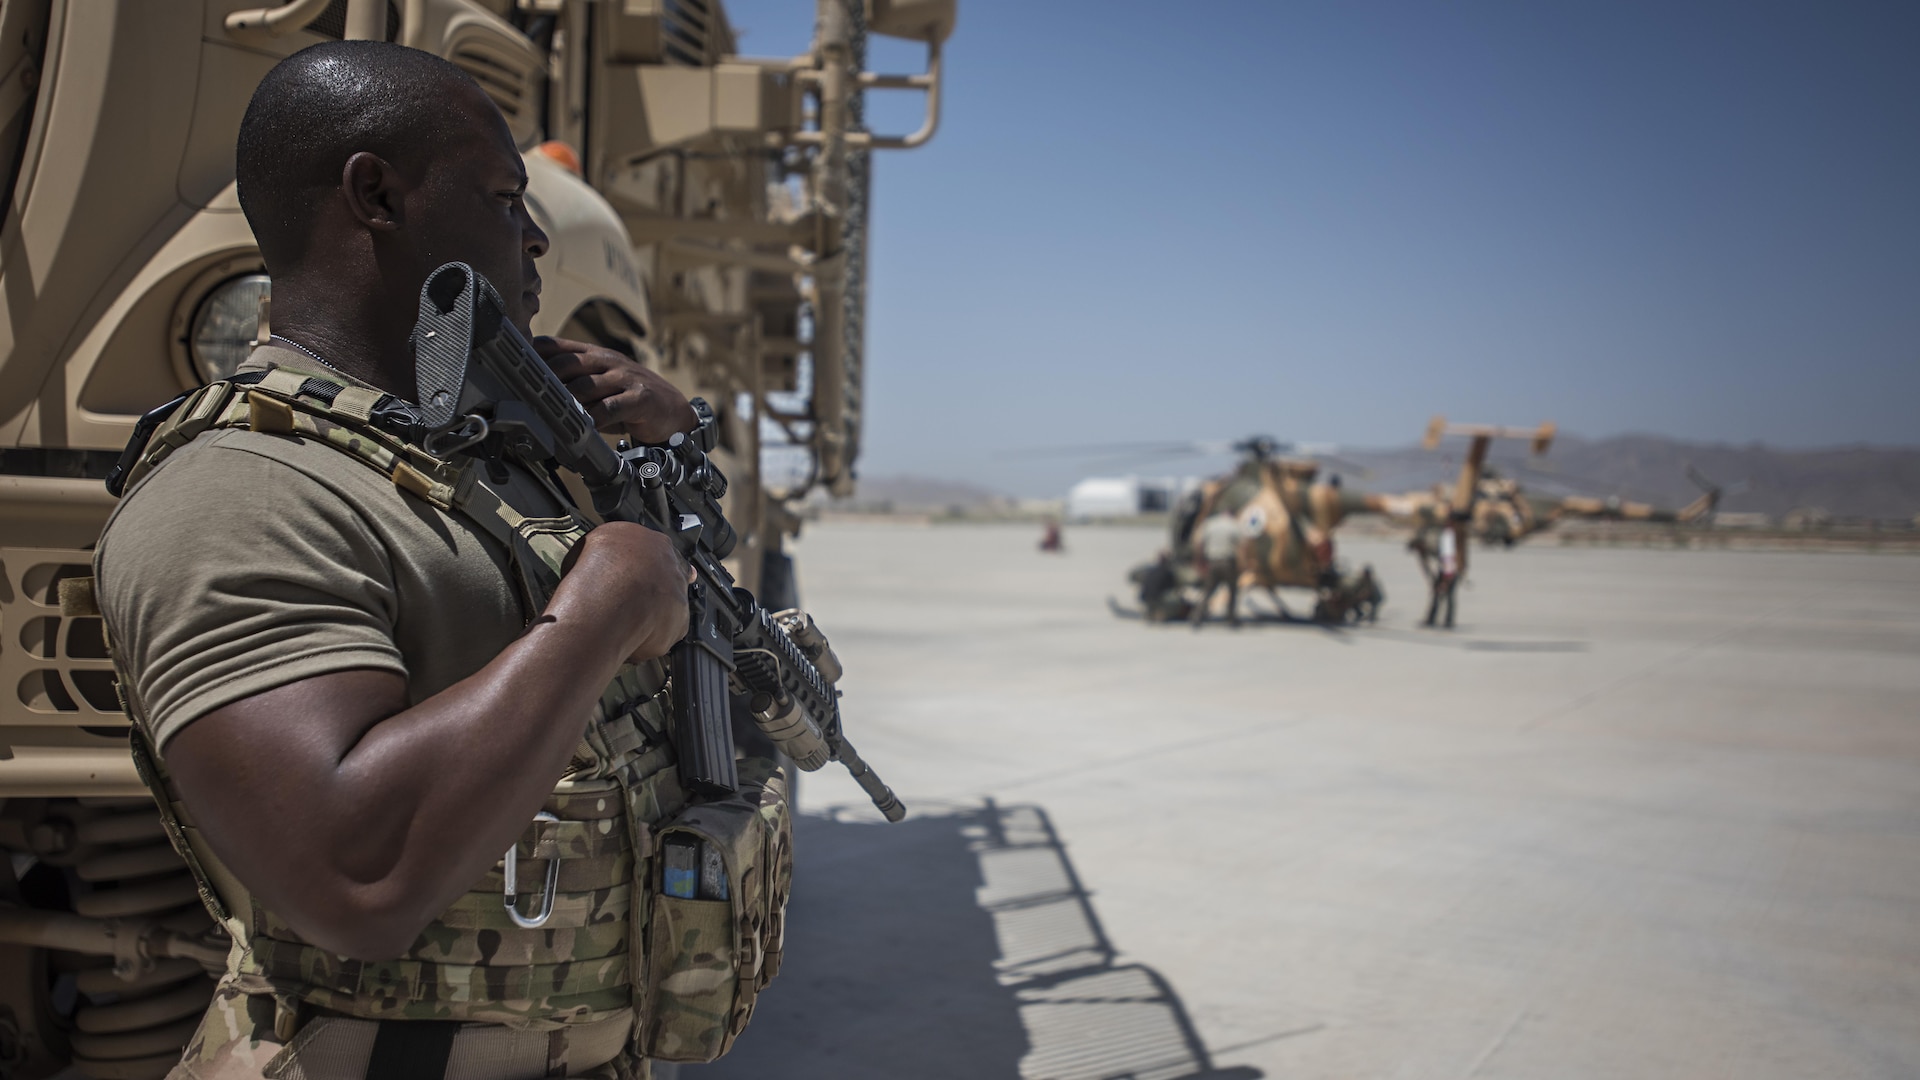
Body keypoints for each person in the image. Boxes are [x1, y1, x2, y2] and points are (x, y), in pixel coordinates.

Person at [93, 42, 776, 1079]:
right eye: (506, 199)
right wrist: (604, 606)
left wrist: (670, 451)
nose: (537, 234)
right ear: (376, 196)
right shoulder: (246, 489)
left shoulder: (453, 460)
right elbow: (352, 877)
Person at [1191, 512, 1243, 629]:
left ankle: (1196, 616)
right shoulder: (1233, 525)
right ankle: (1231, 618)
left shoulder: (1210, 524)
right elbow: (1241, 544)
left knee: (1208, 591)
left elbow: (1200, 543)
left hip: (1213, 562)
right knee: (1232, 591)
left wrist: (1200, 560)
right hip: (1228, 562)